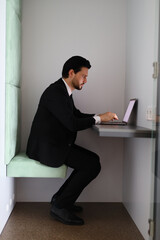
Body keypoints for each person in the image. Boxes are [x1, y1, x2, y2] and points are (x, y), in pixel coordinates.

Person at [26, 56, 118, 225]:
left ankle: (60, 200)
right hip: (47, 148)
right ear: (71, 73)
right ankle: (60, 206)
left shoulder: (64, 91)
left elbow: (76, 115)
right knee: (91, 165)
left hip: (56, 144)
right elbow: (71, 123)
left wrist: (100, 117)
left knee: (92, 161)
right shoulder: (55, 92)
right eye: (84, 76)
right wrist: (98, 118)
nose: (86, 80)